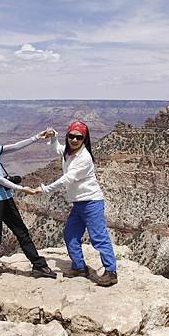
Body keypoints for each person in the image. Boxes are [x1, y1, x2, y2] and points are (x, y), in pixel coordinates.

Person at [0, 123, 57, 284]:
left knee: (22, 232)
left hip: (6, 198)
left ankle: (39, 265)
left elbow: (15, 147)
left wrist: (37, 137)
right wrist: (22, 189)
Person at [35, 121, 118, 287]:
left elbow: (67, 179)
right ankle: (79, 267)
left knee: (98, 237)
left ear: (84, 138)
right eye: (71, 136)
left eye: (78, 137)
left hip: (91, 202)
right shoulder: (68, 151)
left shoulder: (84, 158)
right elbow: (56, 148)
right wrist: (54, 136)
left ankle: (111, 272)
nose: (74, 139)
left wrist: (45, 189)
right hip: (79, 204)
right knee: (70, 234)